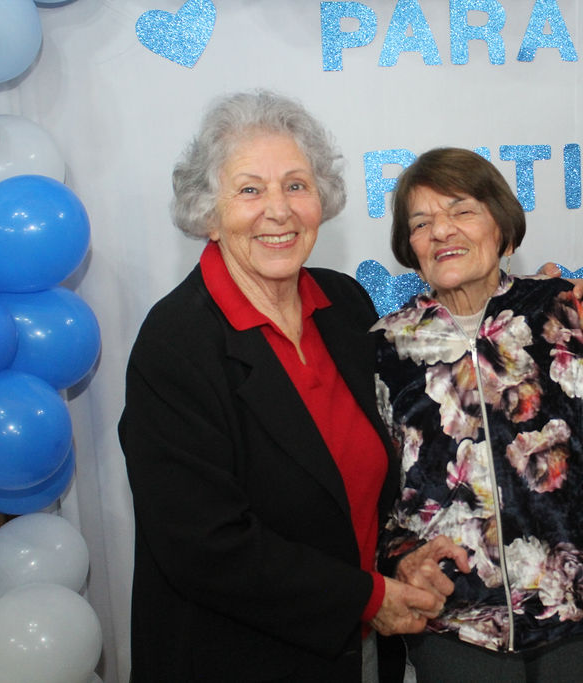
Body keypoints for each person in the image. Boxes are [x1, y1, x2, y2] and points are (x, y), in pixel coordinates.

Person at [118, 91, 467, 683]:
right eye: (250, 190)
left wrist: (540, 305)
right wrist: (366, 598)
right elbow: (204, 547)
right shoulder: (176, 343)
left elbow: (372, 473)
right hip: (236, 659)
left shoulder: (343, 304)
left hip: (357, 651)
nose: (278, 211)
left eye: (296, 186)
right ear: (208, 213)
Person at [372, 147, 583, 683]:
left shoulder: (561, 310)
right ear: (410, 248)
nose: (441, 231)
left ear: (503, 229)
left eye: (462, 210)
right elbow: (379, 489)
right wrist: (396, 559)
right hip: (455, 618)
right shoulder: (384, 347)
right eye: (421, 223)